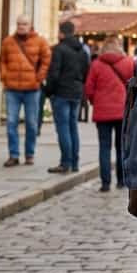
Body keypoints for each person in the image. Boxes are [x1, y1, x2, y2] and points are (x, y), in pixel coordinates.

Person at [84, 35, 134, 192]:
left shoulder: (96, 64)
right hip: (122, 112)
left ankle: (105, 183)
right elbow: (133, 86)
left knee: (104, 148)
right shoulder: (128, 63)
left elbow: (89, 89)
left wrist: (95, 102)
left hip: (102, 112)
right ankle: (121, 180)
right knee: (121, 147)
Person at [0, 15, 51, 167]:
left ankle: (29, 154)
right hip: (12, 89)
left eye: (25, 24)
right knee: (11, 122)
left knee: (32, 123)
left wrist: (39, 77)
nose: (21, 26)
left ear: (30, 25)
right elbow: (2, 60)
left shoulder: (40, 41)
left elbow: (47, 59)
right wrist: (4, 77)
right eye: (19, 24)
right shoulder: (8, 41)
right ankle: (13, 155)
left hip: (32, 89)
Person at [45, 20, 90, 174]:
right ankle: (75, 163)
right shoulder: (82, 51)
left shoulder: (59, 50)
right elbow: (86, 73)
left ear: (62, 33)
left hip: (62, 93)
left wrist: (48, 91)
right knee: (73, 128)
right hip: (76, 92)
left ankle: (66, 163)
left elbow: (53, 74)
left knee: (63, 128)